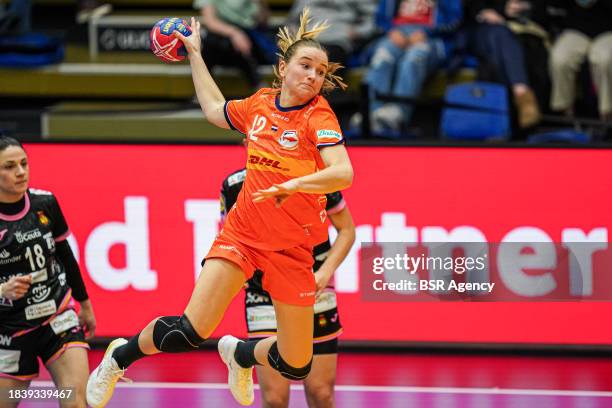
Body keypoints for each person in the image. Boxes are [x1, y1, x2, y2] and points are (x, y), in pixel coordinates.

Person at [86, 8, 354, 408]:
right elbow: (214, 110)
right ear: (283, 68)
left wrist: (297, 184)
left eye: (320, 71)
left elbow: (343, 172)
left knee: (296, 365)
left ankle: (239, 354)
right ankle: (118, 358)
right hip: (243, 237)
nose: (313, 76)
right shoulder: (259, 106)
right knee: (188, 332)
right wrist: (195, 54)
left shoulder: (319, 116)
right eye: (305, 66)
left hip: (293, 250)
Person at [220, 167, 355, 407]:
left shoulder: (319, 178)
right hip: (263, 293)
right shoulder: (234, 184)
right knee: (274, 399)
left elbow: (347, 230)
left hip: (312, 289)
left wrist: (324, 273)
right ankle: (238, 356)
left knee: (321, 393)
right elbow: (230, 236)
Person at [0, 136, 96, 408]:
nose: (20, 172)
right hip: (10, 331)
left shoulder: (45, 203)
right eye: (9, 166)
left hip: (57, 317)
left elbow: (65, 255)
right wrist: (2, 290)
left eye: (23, 163)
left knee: (75, 401)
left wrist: (85, 305)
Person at [365, 0, 463, 136]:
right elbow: (380, 19)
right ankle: (370, 114)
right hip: (397, 34)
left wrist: (427, 33)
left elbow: (455, 21)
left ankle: (397, 116)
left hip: (431, 38)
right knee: (382, 56)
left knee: (413, 59)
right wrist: (391, 31)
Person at [462, 0, 541, 128]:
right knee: (500, 38)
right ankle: (522, 94)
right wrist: (484, 12)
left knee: (504, 46)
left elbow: (544, 9)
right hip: (482, 28)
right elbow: (467, 8)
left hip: (522, 30)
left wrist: (524, 7)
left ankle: (500, 120)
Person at [548, 0, 612, 121]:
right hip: (576, 29)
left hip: (608, 30)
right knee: (560, 58)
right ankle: (566, 112)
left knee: (605, 59)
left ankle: (607, 114)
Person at [193, 0, 277, 90]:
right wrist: (235, 33)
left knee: (238, 45)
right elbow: (210, 22)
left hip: (248, 40)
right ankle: (258, 84)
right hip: (219, 43)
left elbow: (263, 21)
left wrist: (260, 3)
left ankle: (259, 85)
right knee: (210, 43)